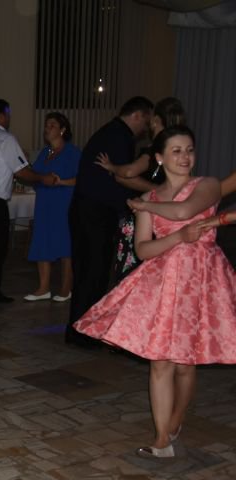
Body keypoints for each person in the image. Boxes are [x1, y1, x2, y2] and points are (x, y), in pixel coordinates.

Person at [74, 126, 236, 459]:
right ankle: (162, 438)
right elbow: (144, 249)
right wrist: (174, 234)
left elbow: (184, 211)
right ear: (159, 158)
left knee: (184, 363)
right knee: (160, 362)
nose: (184, 157)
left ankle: (176, 421)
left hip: (200, 281)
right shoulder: (149, 199)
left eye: (189, 149)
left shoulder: (206, 185)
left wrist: (142, 205)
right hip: (163, 281)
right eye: (176, 150)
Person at [65, 96, 154, 348]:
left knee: (87, 272)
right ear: (138, 115)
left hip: (86, 211)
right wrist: (154, 192)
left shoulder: (110, 132)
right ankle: (83, 332)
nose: (145, 128)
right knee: (93, 273)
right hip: (95, 214)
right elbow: (123, 177)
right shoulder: (119, 136)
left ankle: (79, 330)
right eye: (146, 121)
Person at [0, 99, 57, 308]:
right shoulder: (5, 139)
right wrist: (43, 178)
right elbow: (22, 171)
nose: (9, 118)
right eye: (8, 114)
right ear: (1, 116)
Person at [95, 97, 186, 281]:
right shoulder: (181, 150)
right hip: (168, 216)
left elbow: (129, 172)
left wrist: (112, 167)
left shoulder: (155, 150)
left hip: (146, 216)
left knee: (133, 272)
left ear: (156, 120)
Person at [24, 112, 80, 302]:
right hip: (44, 203)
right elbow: (36, 175)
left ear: (62, 130)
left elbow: (81, 179)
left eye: (52, 125)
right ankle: (43, 288)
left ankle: (66, 289)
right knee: (42, 241)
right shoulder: (45, 152)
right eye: (46, 125)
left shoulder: (72, 152)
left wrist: (61, 182)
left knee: (65, 245)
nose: (47, 129)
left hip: (62, 203)